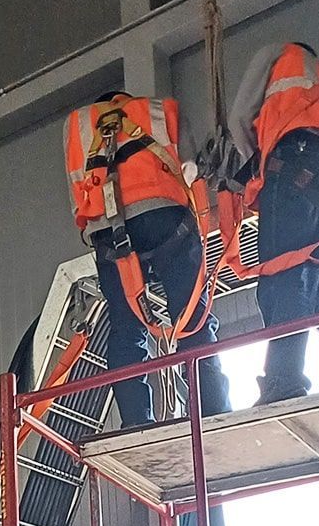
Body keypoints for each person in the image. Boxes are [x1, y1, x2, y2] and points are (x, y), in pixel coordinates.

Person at [63, 92, 230, 429]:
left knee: (126, 329)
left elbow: (76, 197)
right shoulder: (159, 109)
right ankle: (212, 409)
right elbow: (190, 169)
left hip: (109, 230)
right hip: (165, 220)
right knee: (191, 317)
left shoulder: (77, 125)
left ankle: (136, 422)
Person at [226, 42, 319, 402]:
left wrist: (258, 165)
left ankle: (284, 380)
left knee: (285, 274)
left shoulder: (275, 55)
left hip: (290, 163)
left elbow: (238, 119)